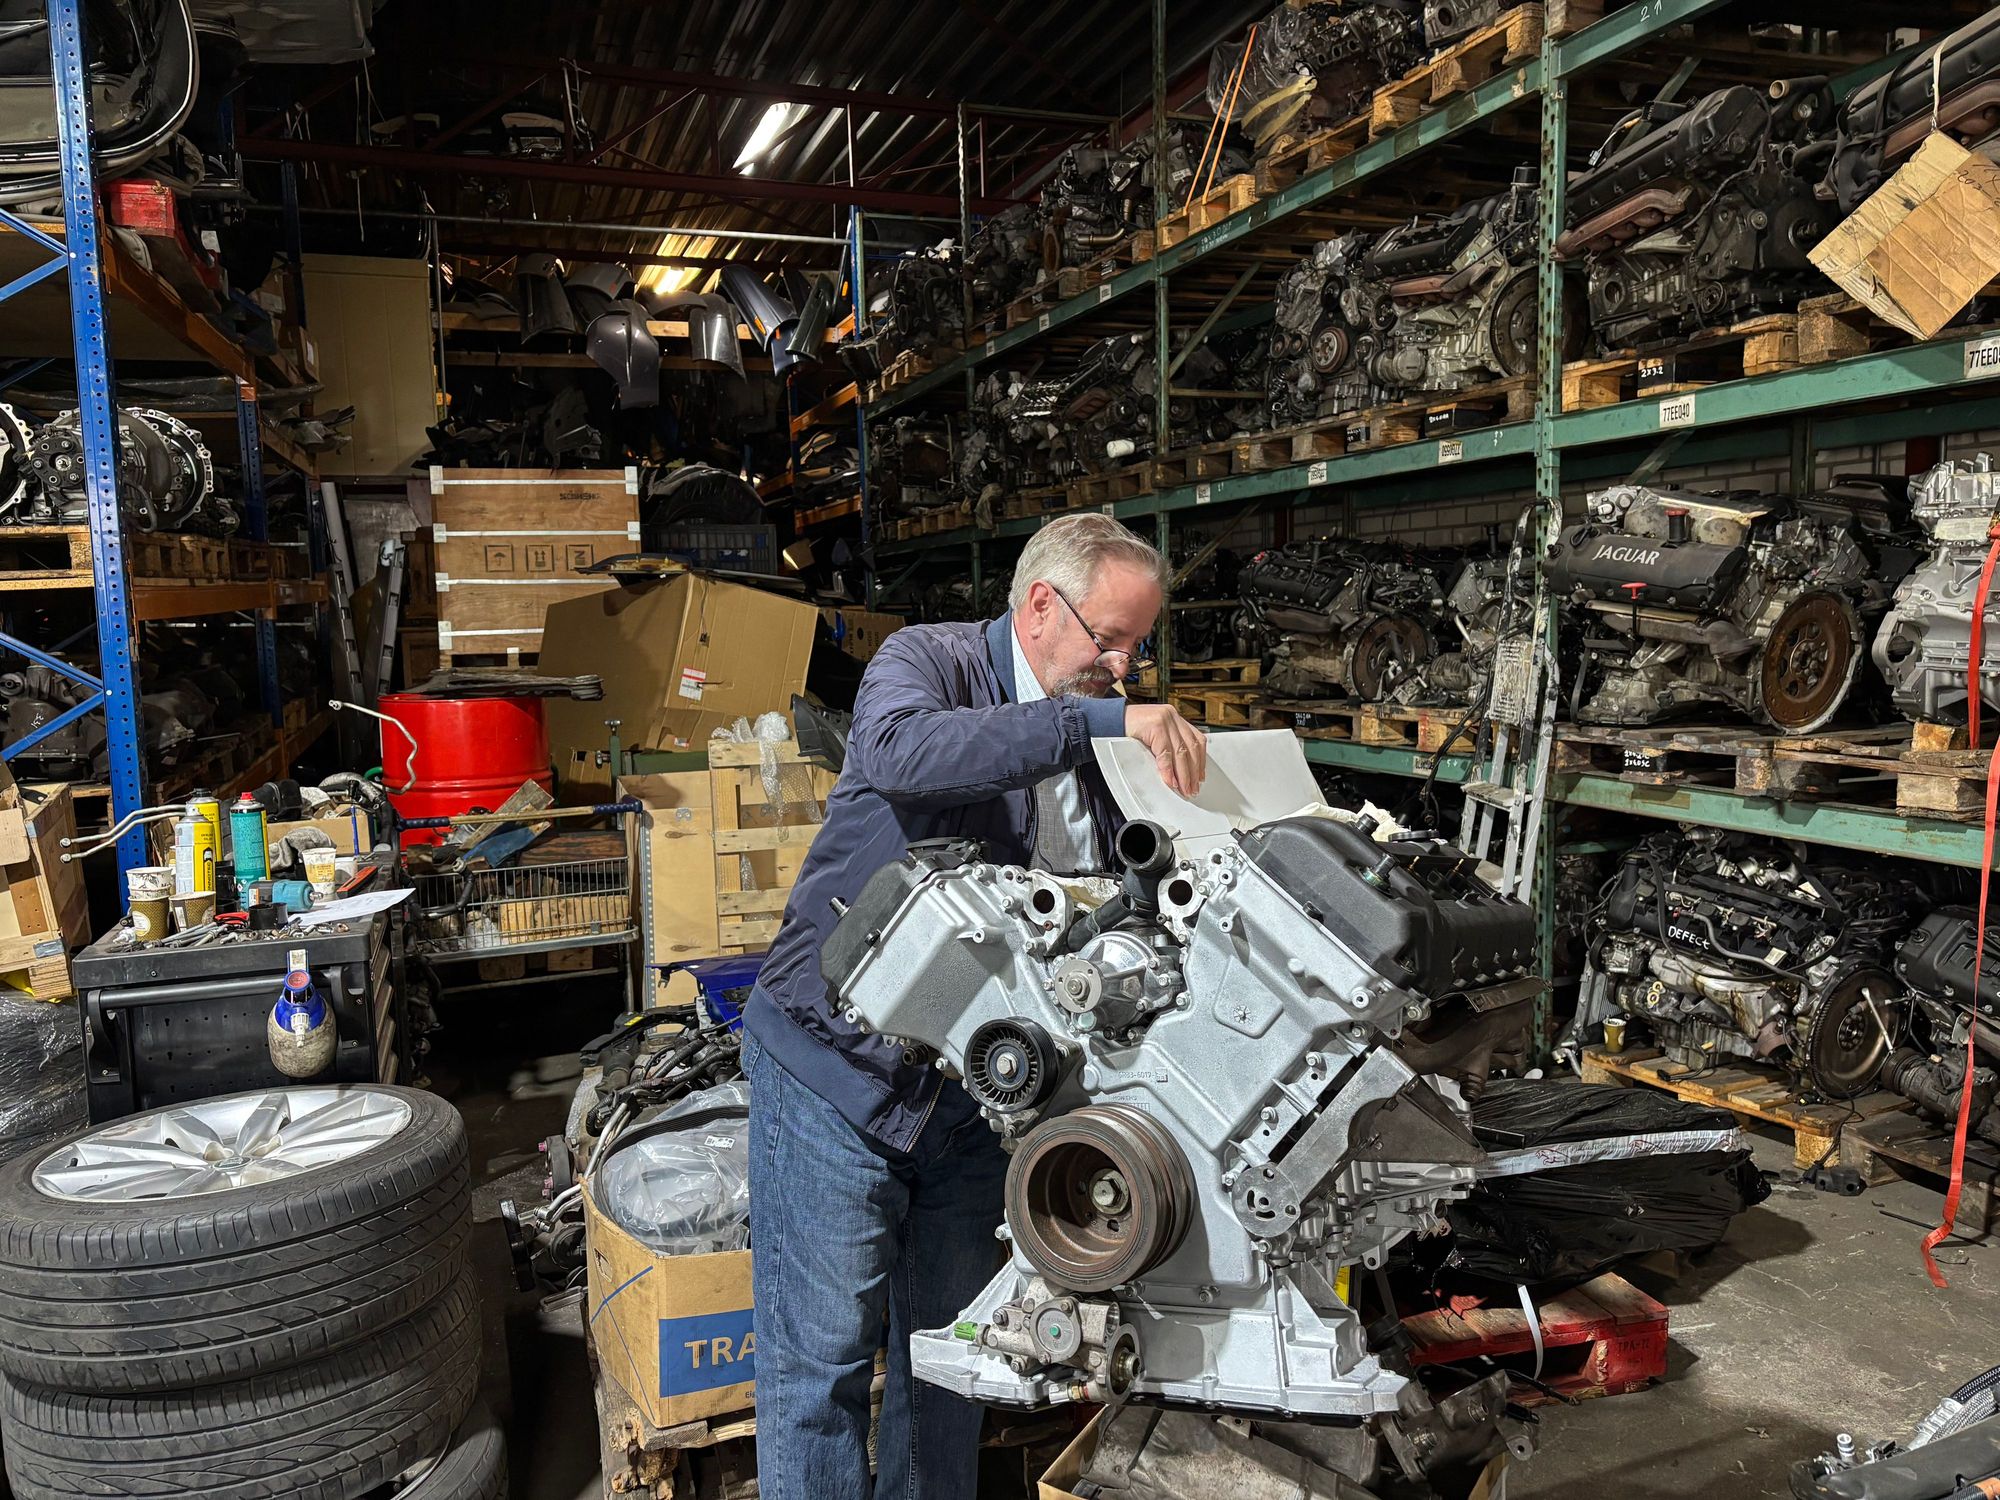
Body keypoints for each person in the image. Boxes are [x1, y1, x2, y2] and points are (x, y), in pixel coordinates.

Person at [742, 513, 1207, 1500]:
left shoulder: (1102, 734)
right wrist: (1087, 724)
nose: (1125, 669)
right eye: (1110, 640)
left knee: (951, 1369)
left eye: (1138, 646)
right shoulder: (930, 663)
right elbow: (902, 753)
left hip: (976, 1103)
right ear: (1039, 606)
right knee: (820, 1371)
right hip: (838, 1078)